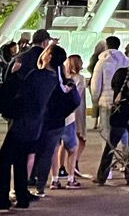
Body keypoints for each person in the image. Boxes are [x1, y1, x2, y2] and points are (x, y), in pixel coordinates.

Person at [0, 39, 55, 211]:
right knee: (20, 160)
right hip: (35, 126)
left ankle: (3, 200)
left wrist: (14, 74)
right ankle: (22, 196)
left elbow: (19, 94)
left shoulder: (35, 75)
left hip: (22, 123)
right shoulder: (53, 79)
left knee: (6, 157)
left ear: (49, 58)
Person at [29, 46, 79, 195]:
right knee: (48, 153)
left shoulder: (40, 76)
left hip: (41, 121)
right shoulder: (62, 79)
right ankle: (40, 187)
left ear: (49, 57)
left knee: (34, 153)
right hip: (58, 121)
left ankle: (29, 184)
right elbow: (75, 101)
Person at [94, 58, 129, 187]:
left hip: (120, 114)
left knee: (111, 145)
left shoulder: (120, 72)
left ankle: (102, 175)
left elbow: (113, 86)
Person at [88, 37, 127, 138]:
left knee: (106, 132)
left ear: (106, 46)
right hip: (122, 101)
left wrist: (95, 100)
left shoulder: (101, 62)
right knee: (122, 131)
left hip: (105, 101)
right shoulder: (126, 61)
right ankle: (123, 152)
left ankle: (107, 152)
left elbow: (96, 83)